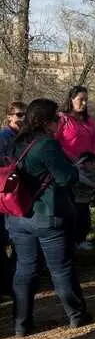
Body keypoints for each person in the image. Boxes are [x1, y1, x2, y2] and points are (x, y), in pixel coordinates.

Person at [6, 98, 91, 337]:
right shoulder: (47, 145)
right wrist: (75, 169)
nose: (59, 122)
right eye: (56, 118)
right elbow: (66, 178)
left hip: (19, 216)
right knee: (61, 269)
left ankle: (21, 324)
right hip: (48, 216)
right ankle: (76, 315)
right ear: (44, 121)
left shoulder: (17, 142)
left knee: (24, 270)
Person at [55, 85, 95, 251]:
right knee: (71, 204)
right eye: (80, 99)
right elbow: (55, 142)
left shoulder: (88, 120)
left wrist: (94, 156)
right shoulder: (62, 119)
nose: (83, 103)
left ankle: (81, 237)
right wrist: (72, 157)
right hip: (70, 167)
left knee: (83, 204)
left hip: (88, 167)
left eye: (86, 100)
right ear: (71, 100)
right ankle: (70, 239)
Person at [0, 101, 26, 301]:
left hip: (18, 193)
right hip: (5, 193)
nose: (22, 118)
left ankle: (14, 280)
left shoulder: (23, 136)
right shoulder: (4, 137)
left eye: (25, 115)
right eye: (18, 114)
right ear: (9, 117)